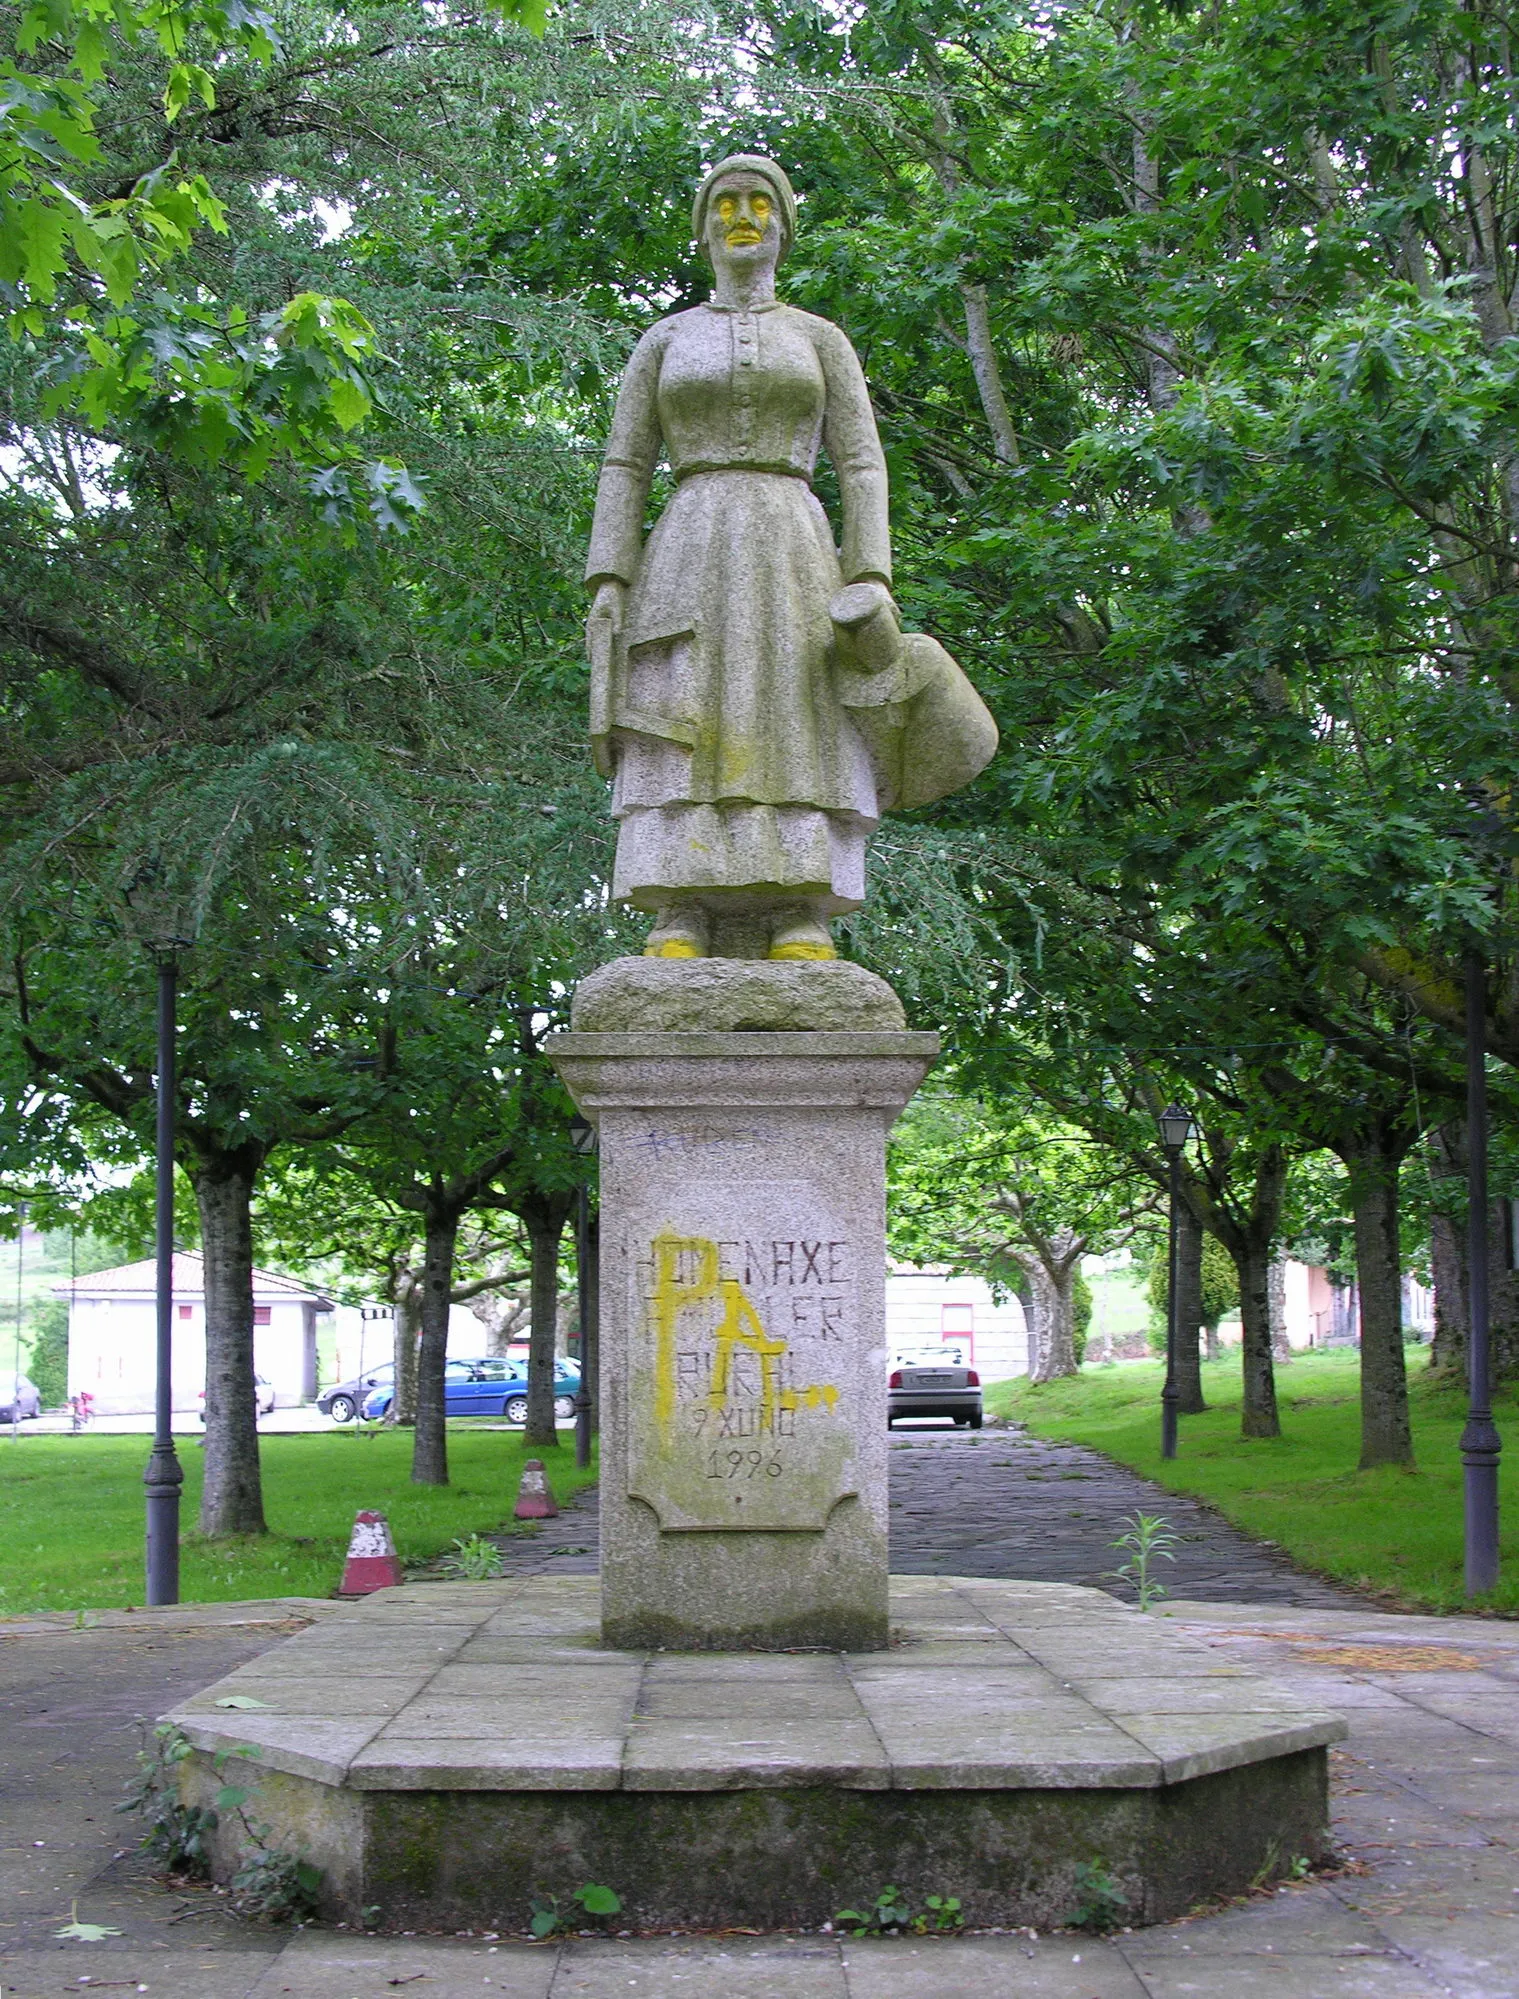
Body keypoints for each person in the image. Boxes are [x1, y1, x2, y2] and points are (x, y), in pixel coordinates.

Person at [584, 154, 995, 961]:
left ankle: (797, 907)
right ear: (703, 229)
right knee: (683, 715)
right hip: (689, 542)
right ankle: (680, 906)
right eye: (726, 203)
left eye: (760, 203)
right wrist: (608, 578)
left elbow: (862, 463)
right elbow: (623, 464)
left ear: (782, 226)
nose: (743, 215)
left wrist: (870, 574)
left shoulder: (819, 338)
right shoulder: (665, 339)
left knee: (796, 715)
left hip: (794, 545)